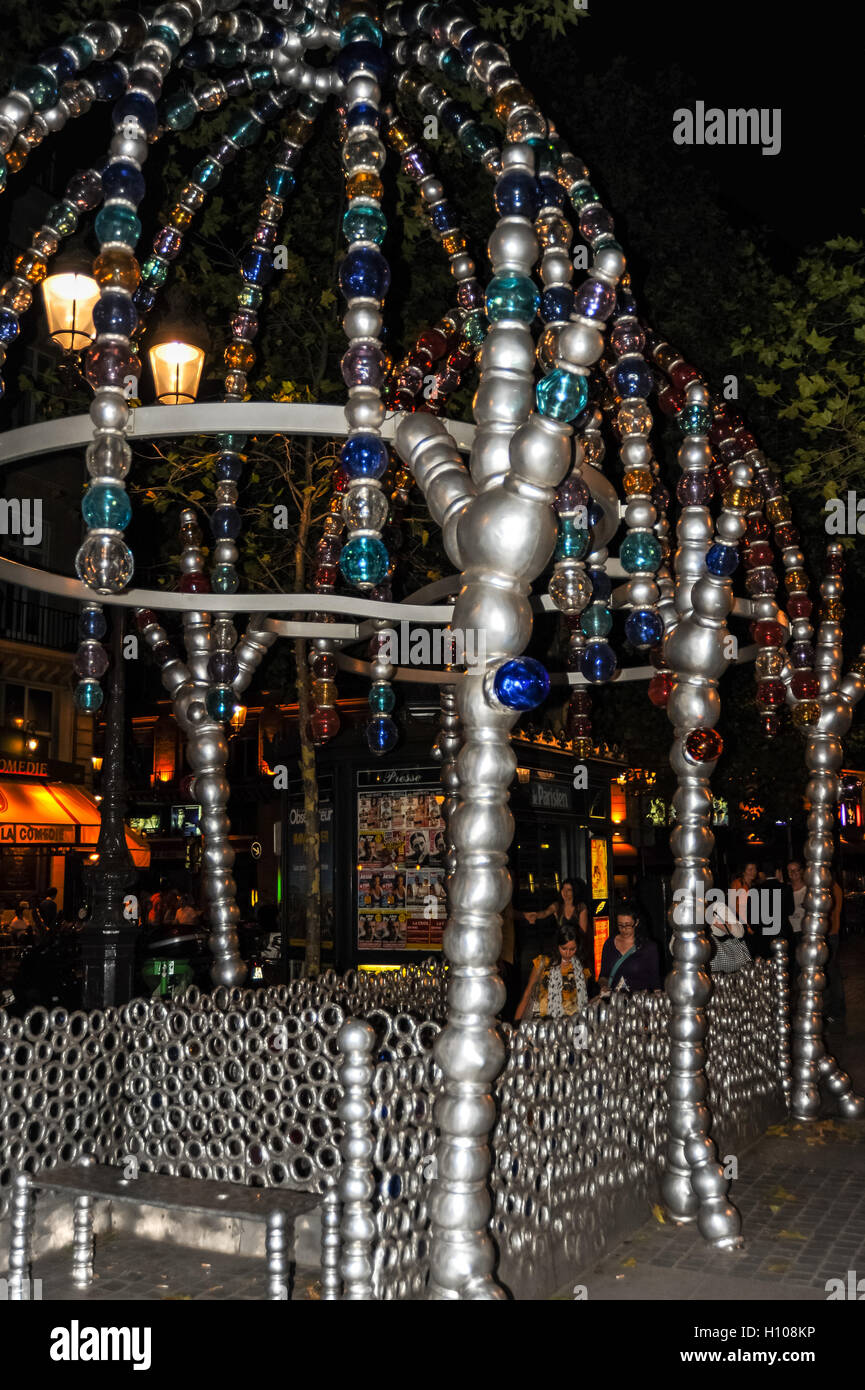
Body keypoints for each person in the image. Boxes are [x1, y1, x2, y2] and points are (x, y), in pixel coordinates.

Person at [515, 924, 588, 1022]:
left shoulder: (581, 969)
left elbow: (583, 1000)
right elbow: (527, 994)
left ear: (578, 947)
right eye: (564, 948)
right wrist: (516, 1023)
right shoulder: (543, 963)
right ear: (557, 946)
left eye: (572, 949)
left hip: (571, 1025)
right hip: (542, 1023)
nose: (567, 953)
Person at [597, 900, 661, 993]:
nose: (624, 929)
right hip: (615, 1002)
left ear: (636, 922)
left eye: (628, 925)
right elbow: (603, 976)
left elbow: (655, 983)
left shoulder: (648, 947)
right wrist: (604, 986)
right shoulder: (609, 944)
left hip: (639, 1003)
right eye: (620, 925)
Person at [706, 895, 751, 975]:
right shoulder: (680, 911)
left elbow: (739, 932)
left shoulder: (716, 907)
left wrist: (711, 919)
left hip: (725, 974)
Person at [825, 874, 846, 1025]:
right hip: (832, 932)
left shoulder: (832, 888)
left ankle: (836, 1010)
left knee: (832, 972)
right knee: (832, 971)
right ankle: (836, 1009)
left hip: (830, 933)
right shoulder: (834, 887)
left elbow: (831, 911)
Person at [787, 860, 807, 937]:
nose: (792, 872)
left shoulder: (808, 889)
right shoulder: (785, 889)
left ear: (801, 871)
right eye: (790, 870)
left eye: (795, 870)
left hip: (804, 930)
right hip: (789, 931)